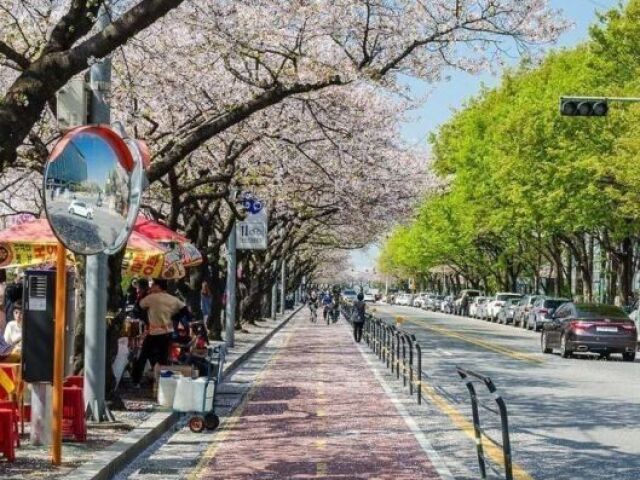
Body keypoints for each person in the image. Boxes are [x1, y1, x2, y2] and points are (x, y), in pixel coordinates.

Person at [131, 279, 188, 388]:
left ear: (158, 286)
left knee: (143, 356)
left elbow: (138, 308)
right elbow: (185, 311)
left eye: (152, 285)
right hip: (167, 332)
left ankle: (136, 380)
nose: (151, 287)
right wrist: (173, 317)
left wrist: (144, 296)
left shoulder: (152, 298)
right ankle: (163, 382)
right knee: (163, 358)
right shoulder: (173, 299)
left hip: (154, 332)